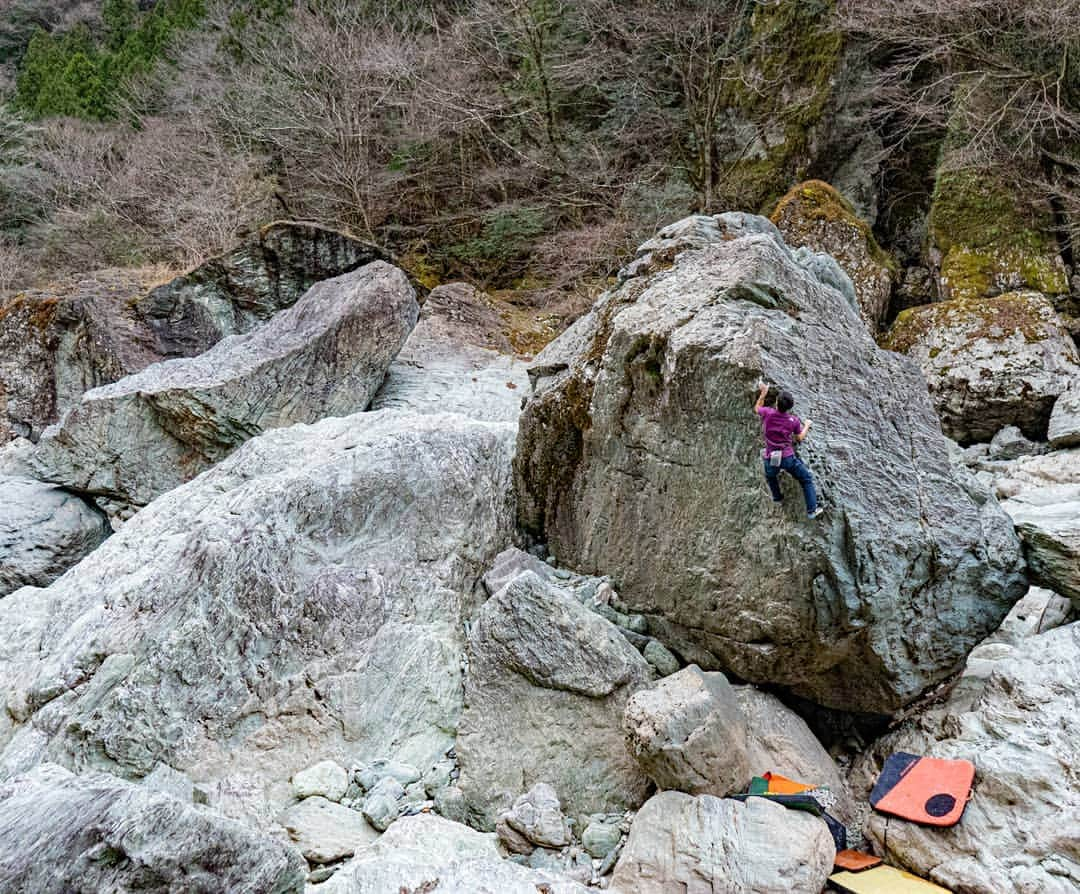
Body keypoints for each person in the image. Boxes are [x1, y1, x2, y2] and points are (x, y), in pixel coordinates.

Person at [754, 382, 824, 519]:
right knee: (806, 479)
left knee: (771, 476)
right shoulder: (793, 421)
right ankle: (811, 511)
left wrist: (763, 393)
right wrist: (807, 426)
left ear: (776, 403)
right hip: (787, 458)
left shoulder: (768, 413)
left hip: (771, 456)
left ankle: (777, 497)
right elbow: (799, 438)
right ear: (790, 407)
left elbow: (757, 408)